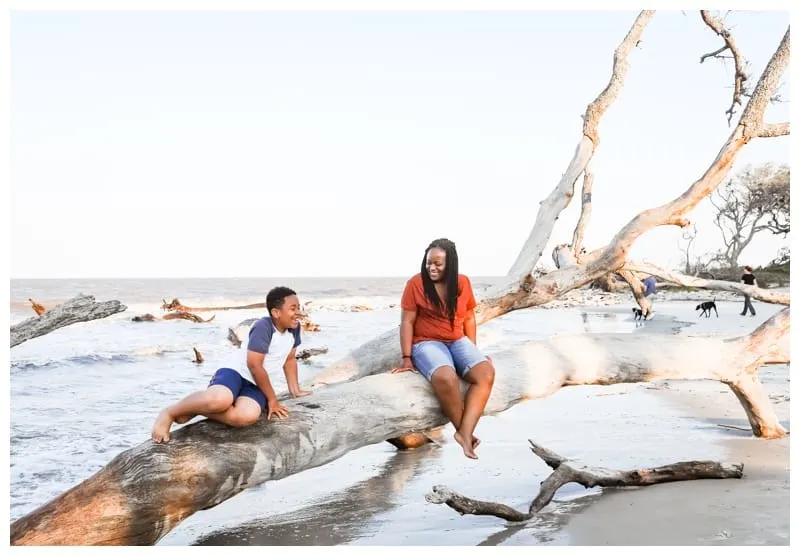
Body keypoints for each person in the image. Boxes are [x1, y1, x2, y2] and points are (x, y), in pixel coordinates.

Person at [151, 286, 312, 443]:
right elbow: (254, 366)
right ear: (276, 313)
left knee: (245, 417)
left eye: (298, 307)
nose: (298, 312)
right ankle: (170, 412)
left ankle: (196, 408)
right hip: (236, 372)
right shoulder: (264, 327)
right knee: (220, 400)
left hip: (258, 385)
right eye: (293, 308)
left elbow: (290, 359)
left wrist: (295, 390)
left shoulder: (294, 328)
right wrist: (272, 400)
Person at [392, 238, 495, 460]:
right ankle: (465, 434)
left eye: (438, 263)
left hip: (457, 340)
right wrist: (406, 358)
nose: (432, 267)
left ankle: (463, 434)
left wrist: (473, 352)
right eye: (429, 262)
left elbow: (468, 317)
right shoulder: (415, 284)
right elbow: (407, 322)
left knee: (485, 372)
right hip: (426, 342)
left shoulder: (462, 282)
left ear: (451, 264)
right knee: (446, 377)